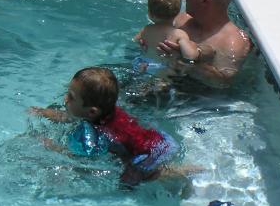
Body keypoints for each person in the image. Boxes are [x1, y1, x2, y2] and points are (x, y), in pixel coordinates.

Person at [29, 67, 180, 186]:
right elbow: (70, 116)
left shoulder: (94, 133)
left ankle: (183, 172)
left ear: (92, 111)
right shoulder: (106, 111)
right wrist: (44, 112)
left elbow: (80, 159)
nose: (65, 98)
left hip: (147, 155)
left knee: (131, 179)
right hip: (158, 140)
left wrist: (53, 147)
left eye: (71, 97)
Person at [159, 0, 252, 88]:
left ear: (205, 0)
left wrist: (188, 61)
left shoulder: (233, 44)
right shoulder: (181, 20)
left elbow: (222, 84)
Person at [132, 0, 198, 77]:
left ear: (149, 13)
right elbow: (190, 56)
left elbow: (134, 41)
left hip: (144, 65)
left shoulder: (146, 29)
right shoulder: (179, 34)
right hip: (163, 70)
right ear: (178, 12)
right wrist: (196, 48)